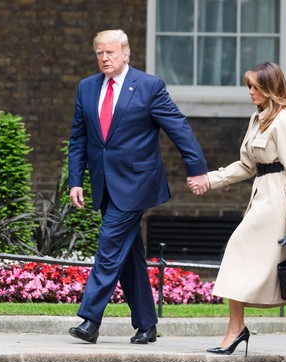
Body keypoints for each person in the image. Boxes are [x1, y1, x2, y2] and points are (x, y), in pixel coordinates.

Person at [188, 62, 286, 362]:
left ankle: (239, 330)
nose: (251, 93)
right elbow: (246, 165)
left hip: (281, 203)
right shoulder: (259, 118)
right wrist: (210, 179)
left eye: (256, 87)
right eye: (249, 86)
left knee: (273, 267)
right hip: (262, 198)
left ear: (271, 87)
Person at [67, 29, 209, 344]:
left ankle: (90, 319)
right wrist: (75, 180)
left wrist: (197, 169)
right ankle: (146, 323)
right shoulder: (87, 88)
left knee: (109, 246)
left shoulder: (149, 87)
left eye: (111, 53)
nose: (104, 58)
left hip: (137, 183)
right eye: (100, 53)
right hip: (104, 183)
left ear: (126, 53)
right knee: (128, 254)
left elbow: (179, 128)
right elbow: (78, 138)